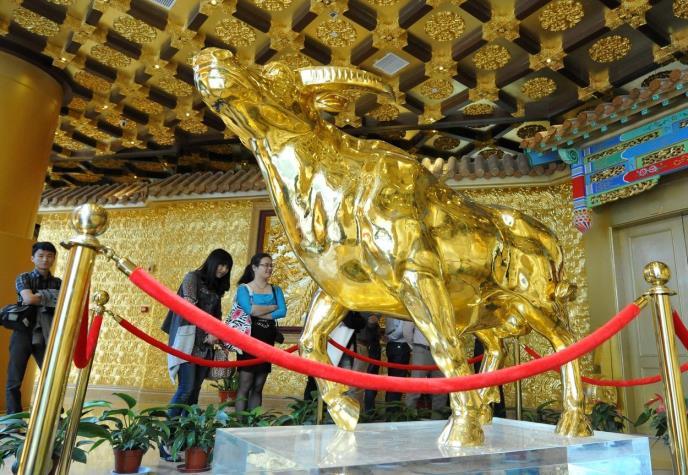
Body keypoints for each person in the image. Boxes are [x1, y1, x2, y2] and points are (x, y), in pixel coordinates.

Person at [160, 248, 233, 460]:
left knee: (194, 393)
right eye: (221, 265)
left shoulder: (216, 288)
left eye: (227, 267)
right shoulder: (192, 277)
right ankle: (165, 440)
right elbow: (189, 307)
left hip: (205, 345)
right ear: (212, 262)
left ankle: (182, 439)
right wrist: (210, 331)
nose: (223, 270)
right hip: (188, 340)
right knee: (185, 389)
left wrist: (218, 336)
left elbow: (216, 317)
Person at [6, 242, 61, 414]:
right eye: (41, 256)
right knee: (14, 380)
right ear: (33, 258)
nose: (45, 259)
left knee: (51, 378)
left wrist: (39, 296)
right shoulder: (24, 277)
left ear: (54, 259)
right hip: (22, 332)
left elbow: (64, 301)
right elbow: (28, 299)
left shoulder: (58, 282)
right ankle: (13, 420)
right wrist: (51, 296)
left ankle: (52, 417)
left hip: (46, 333)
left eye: (49, 256)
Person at [234, 253, 286, 413]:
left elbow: (282, 311)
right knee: (245, 384)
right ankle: (239, 423)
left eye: (271, 265)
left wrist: (259, 311)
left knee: (258, 385)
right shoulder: (244, 289)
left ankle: (253, 422)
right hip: (248, 340)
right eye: (265, 265)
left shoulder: (276, 289)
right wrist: (271, 308)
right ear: (254, 267)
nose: (269, 268)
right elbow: (250, 310)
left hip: (267, 341)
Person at [303, 311, 366, 401]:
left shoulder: (348, 309)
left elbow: (360, 323)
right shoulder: (326, 308)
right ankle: (311, 406)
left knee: (344, 383)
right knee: (316, 381)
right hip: (322, 348)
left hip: (344, 351)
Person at [403, 322, 448, 415]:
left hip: (441, 351)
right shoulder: (417, 309)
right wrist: (415, 347)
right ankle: (408, 417)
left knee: (440, 388)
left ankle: (437, 419)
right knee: (415, 387)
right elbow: (407, 330)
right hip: (422, 348)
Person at [384, 317, 411, 405]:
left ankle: (389, 407)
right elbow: (402, 330)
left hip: (391, 346)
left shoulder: (389, 312)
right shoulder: (401, 313)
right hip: (400, 346)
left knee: (392, 379)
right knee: (398, 380)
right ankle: (394, 409)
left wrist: (388, 337)